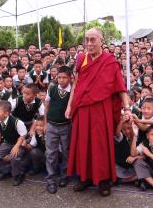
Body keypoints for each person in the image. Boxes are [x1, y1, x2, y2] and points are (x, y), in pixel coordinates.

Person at [66, 28, 130, 197]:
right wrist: (69, 105)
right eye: (86, 40)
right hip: (81, 109)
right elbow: (76, 84)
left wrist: (127, 108)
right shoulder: (81, 59)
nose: (89, 43)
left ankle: (103, 181)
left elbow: (120, 87)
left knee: (100, 144)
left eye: (93, 39)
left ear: (101, 41)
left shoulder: (110, 61)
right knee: (82, 143)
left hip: (101, 110)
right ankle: (85, 177)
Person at [45, 66, 72, 194]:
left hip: (66, 126)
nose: (61, 80)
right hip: (51, 125)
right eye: (59, 77)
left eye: (64, 77)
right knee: (51, 153)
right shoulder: (52, 89)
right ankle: (50, 180)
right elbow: (47, 106)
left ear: (70, 78)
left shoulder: (72, 91)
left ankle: (64, 176)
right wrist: (45, 124)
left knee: (66, 152)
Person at [0, 101, 27, 186]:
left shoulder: (17, 122)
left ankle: (18, 175)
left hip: (19, 142)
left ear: (6, 113)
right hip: (8, 143)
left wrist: (17, 146)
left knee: (14, 156)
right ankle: (5, 171)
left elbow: (23, 135)